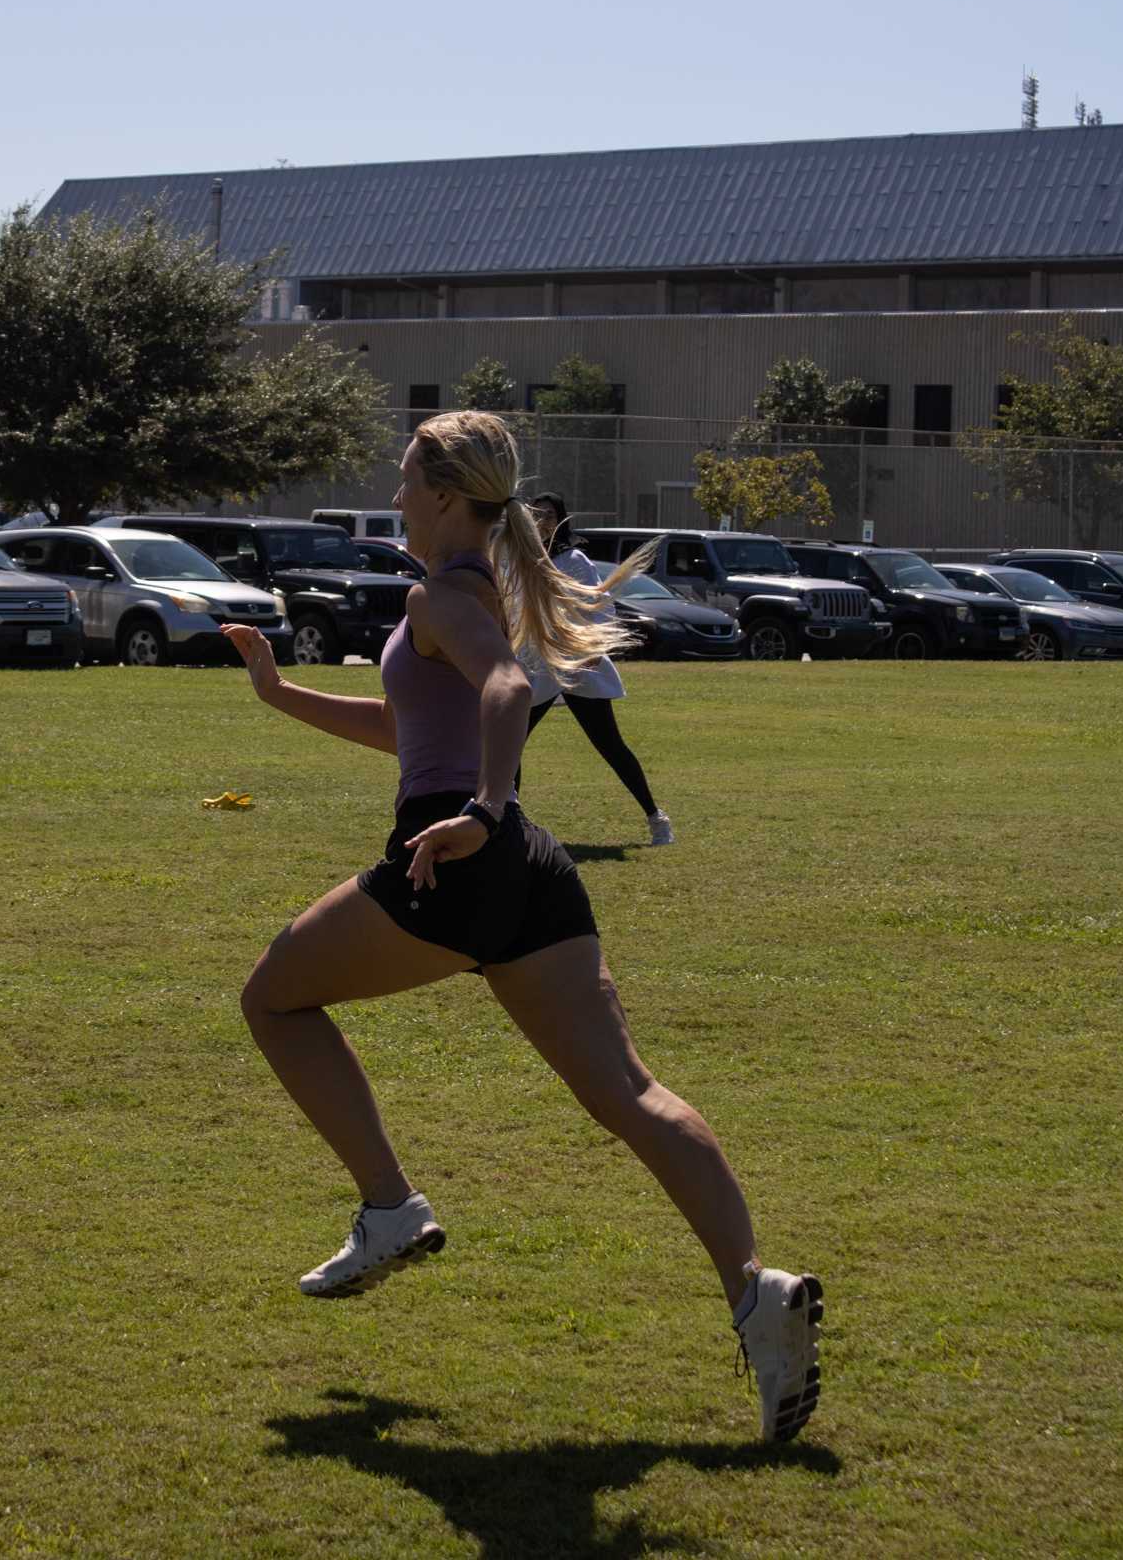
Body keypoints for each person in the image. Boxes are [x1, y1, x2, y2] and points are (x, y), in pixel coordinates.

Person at [222, 410, 822, 1445]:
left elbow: (504, 690)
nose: (396, 494)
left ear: (448, 495)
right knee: (630, 1095)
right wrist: (279, 695)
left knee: (272, 997)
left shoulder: (441, 596)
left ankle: (391, 1208)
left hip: (455, 853)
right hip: (525, 868)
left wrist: (483, 811)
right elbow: (411, 729)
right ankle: (757, 1293)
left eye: (406, 479)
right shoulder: (471, 593)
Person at [520, 493, 674, 847]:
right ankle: (508, 823)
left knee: (609, 745)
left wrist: (592, 650)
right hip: (540, 665)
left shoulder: (573, 560)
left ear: (560, 518)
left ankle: (656, 817)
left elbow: (599, 606)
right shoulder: (526, 560)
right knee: (510, 745)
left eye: (548, 514)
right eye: (536, 514)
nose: (541, 520)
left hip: (578, 665)